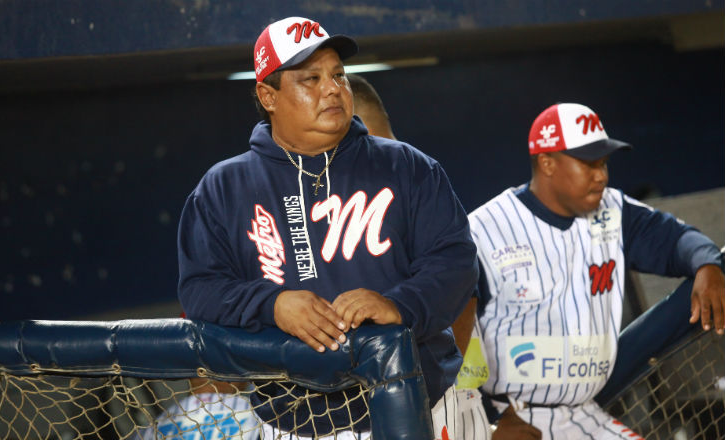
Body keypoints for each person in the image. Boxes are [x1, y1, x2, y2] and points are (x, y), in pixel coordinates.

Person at [177, 16, 479, 440]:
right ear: (268, 95)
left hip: (425, 405)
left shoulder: (407, 166)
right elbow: (201, 290)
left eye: (339, 74)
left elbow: (457, 261)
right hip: (298, 423)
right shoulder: (224, 188)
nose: (332, 88)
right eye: (311, 78)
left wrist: (400, 305)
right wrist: (272, 304)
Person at [468, 102, 725, 439]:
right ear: (546, 163)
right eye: (588, 164)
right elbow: (457, 334)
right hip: (513, 420)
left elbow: (677, 240)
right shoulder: (485, 229)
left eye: (603, 163)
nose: (601, 175)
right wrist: (488, 423)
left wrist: (708, 265)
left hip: (585, 409)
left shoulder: (612, 212)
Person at [347, 72, 492, 440]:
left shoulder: (411, 181)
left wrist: (431, 389)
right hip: (419, 395)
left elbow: (465, 298)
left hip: (442, 395)